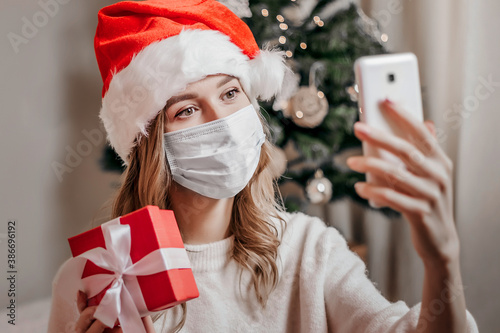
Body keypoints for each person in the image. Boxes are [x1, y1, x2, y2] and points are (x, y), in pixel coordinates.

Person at [48, 0, 479, 332]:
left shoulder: (310, 249)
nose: (223, 121)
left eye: (231, 94)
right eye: (185, 110)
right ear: (148, 145)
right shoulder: (98, 276)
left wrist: (443, 259)